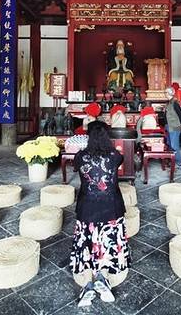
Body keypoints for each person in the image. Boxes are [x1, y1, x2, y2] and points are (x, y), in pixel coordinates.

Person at [70, 121, 131, 308]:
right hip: (111, 208)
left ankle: (88, 284)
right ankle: (103, 279)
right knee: (108, 243)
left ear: (89, 137)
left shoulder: (81, 156)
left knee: (87, 245)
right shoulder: (115, 156)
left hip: (87, 209)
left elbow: (76, 165)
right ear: (107, 137)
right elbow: (119, 161)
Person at [165, 86, 181, 168]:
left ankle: (179, 163)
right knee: (170, 145)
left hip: (174, 127)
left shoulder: (175, 103)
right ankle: (172, 162)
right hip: (169, 126)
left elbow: (180, 114)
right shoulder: (169, 103)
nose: (165, 94)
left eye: (166, 92)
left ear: (169, 93)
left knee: (174, 145)